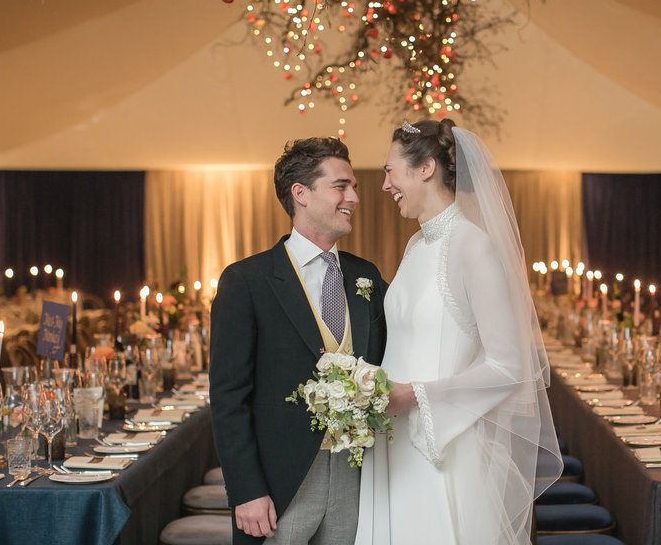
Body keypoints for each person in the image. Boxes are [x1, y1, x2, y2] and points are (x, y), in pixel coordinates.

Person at [355, 119, 563, 544]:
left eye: (390, 171)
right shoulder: (416, 246)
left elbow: (510, 366)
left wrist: (413, 395)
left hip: (442, 446)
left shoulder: (474, 247)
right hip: (391, 441)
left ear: (426, 168)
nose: (384, 185)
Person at [210, 137, 388, 544]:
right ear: (300, 194)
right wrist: (247, 490)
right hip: (280, 483)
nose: (355, 198)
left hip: (357, 474)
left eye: (354, 187)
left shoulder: (367, 276)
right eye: (341, 186)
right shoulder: (247, 281)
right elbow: (227, 396)